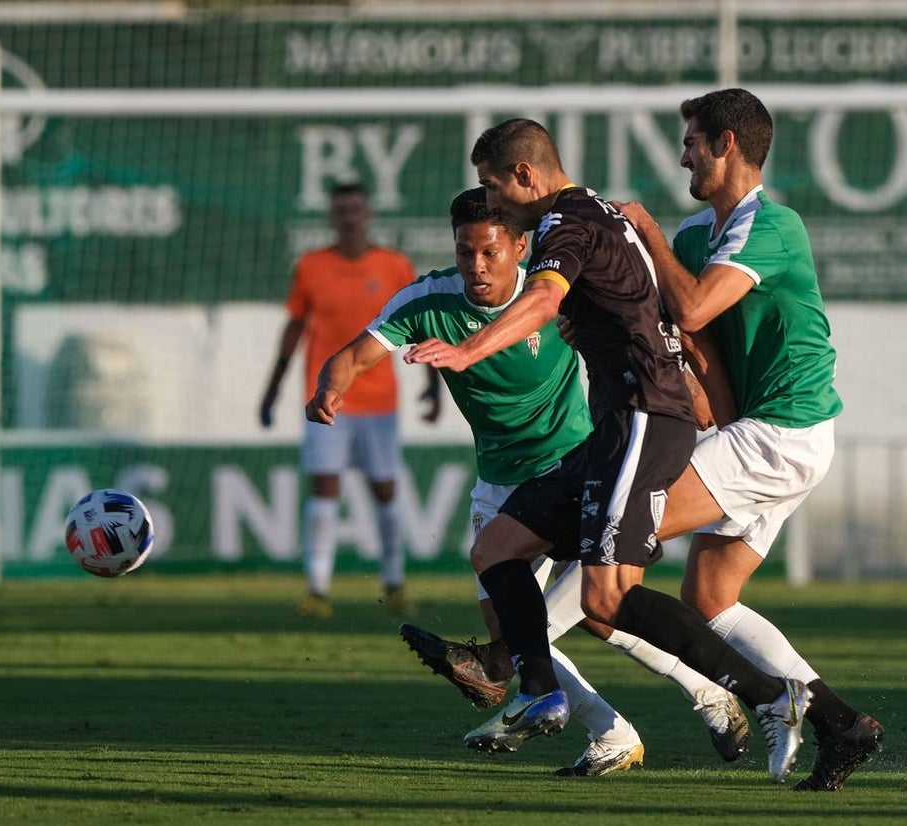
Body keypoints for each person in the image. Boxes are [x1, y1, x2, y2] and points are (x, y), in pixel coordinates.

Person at [403, 118, 811, 784]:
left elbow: (542, 300)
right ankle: (539, 690)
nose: (492, 203)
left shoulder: (567, 224)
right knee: (496, 548)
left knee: (605, 599)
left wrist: (469, 348)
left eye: (494, 186)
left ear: (526, 176)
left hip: (644, 418)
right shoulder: (593, 212)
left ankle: (770, 695)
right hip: (618, 426)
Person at [307, 187, 653, 776]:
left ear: (520, 247)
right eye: (466, 252)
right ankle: (622, 725)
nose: (477, 266)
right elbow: (351, 354)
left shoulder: (555, 294)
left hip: (570, 464)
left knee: (584, 614)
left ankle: (699, 697)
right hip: (498, 480)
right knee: (528, 630)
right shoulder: (428, 298)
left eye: (491, 252)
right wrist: (328, 388)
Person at [611, 88, 884, 792]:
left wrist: (646, 231)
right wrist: (711, 409)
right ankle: (840, 723)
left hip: (783, 432)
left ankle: (515, 666)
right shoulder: (698, 235)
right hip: (758, 431)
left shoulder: (776, 224)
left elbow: (695, 303)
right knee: (708, 598)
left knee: (612, 532)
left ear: (727, 145)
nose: (682, 157)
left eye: (692, 142)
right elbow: (697, 339)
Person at [259, 181, 419, 619]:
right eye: (341, 209)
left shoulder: (393, 265)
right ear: (332, 216)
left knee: (385, 490)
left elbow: (422, 321)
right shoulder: (312, 266)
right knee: (324, 486)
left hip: (379, 401)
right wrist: (272, 388)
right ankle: (317, 587)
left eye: (356, 208)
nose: (349, 216)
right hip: (326, 398)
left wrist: (433, 384)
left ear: (367, 214)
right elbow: (294, 328)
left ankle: (394, 580)